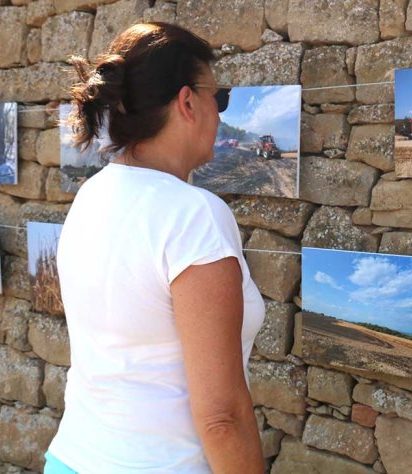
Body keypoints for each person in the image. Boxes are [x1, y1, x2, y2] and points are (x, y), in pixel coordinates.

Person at [45, 22, 266, 473]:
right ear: (188, 102)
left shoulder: (92, 195)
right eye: (218, 98)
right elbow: (222, 417)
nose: (221, 113)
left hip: (73, 457)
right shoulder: (194, 213)